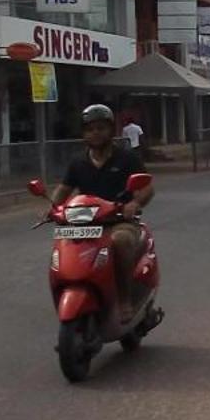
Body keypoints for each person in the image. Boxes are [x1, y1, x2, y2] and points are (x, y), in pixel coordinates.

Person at [49, 105, 155, 322]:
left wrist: (134, 203)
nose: (95, 133)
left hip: (119, 222)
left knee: (120, 241)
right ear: (84, 133)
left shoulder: (126, 158)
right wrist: (52, 208)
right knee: (63, 246)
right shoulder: (78, 162)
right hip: (85, 224)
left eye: (100, 128)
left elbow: (147, 188)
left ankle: (124, 299)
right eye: (90, 129)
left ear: (111, 130)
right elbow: (64, 189)